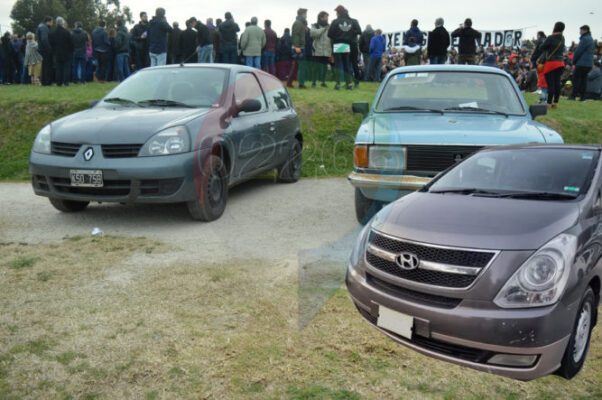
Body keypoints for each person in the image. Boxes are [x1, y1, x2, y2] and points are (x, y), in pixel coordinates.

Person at [328, 5, 360, 90]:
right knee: (346, 64)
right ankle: (349, 83)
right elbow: (356, 31)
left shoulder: (335, 21)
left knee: (338, 64)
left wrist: (337, 35)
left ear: (338, 12)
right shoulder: (350, 21)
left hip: (337, 43)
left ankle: (338, 84)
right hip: (346, 44)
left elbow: (329, 34)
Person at [539, 22, 566, 108]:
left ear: (555, 27)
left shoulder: (550, 37)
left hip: (551, 63)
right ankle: (555, 102)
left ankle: (549, 103)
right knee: (557, 83)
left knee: (551, 84)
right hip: (560, 63)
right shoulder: (563, 38)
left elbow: (541, 48)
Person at [570, 25, 595, 101]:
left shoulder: (584, 39)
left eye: (581, 30)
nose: (579, 32)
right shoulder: (591, 39)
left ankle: (573, 96)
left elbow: (578, 51)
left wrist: (573, 61)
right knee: (584, 80)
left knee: (576, 79)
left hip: (581, 63)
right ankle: (582, 97)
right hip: (588, 64)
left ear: (585, 30)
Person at [310, 11, 332, 87]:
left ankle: (323, 82)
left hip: (326, 50)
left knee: (325, 67)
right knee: (315, 68)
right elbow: (313, 34)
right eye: (326, 17)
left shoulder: (330, 26)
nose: (327, 19)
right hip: (317, 50)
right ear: (321, 17)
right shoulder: (314, 25)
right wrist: (324, 29)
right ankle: (314, 82)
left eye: (327, 17)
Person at [50, 17, 73, 86]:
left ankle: (58, 82)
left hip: (57, 53)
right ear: (62, 23)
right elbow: (71, 43)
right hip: (66, 53)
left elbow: (51, 43)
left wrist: (54, 51)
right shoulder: (67, 32)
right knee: (66, 68)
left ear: (56, 23)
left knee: (58, 68)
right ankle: (66, 82)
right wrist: (70, 51)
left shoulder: (53, 33)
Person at [288, 8, 308, 89]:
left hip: (299, 47)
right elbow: (295, 35)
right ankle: (301, 84)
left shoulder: (300, 23)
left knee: (296, 66)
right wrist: (297, 47)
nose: (306, 15)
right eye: (306, 14)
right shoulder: (298, 23)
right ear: (302, 14)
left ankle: (290, 82)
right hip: (299, 48)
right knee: (301, 66)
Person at [36, 16, 53, 85]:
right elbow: (44, 39)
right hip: (45, 50)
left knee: (44, 66)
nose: (52, 24)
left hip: (41, 48)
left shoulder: (40, 27)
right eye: (52, 22)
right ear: (48, 21)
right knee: (47, 66)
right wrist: (49, 48)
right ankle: (47, 82)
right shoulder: (44, 28)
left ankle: (44, 81)